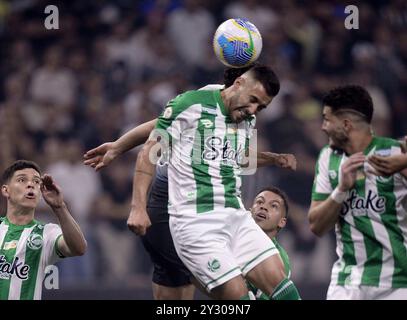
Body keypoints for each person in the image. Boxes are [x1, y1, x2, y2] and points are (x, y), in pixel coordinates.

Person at [83, 66, 297, 300]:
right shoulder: (192, 103)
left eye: (261, 107)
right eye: (253, 100)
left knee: (282, 287)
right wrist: (137, 207)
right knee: (232, 296)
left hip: (234, 215)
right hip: (188, 217)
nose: (254, 109)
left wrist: (273, 158)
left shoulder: (245, 117)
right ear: (238, 83)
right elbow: (150, 150)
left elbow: (239, 157)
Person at [308, 85, 407, 300]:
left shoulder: (395, 153)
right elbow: (316, 225)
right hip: (347, 282)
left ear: (346, 124)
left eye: (326, 119)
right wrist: (341, 190)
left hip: (397, 283)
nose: (322, 127)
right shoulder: (328, 158)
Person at [0, 160, 87, 300]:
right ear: (6, 190)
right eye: (22, 180)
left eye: (36, 181)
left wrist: (60, 207)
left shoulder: (47, 233)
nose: (30, 184)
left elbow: (79, 248)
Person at [248, 186, 292, 300]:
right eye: (259, 202)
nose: (263, 207)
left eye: (273, 206)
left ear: (282, 222)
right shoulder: (230, 238)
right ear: (250, 211)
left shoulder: (279, 259)